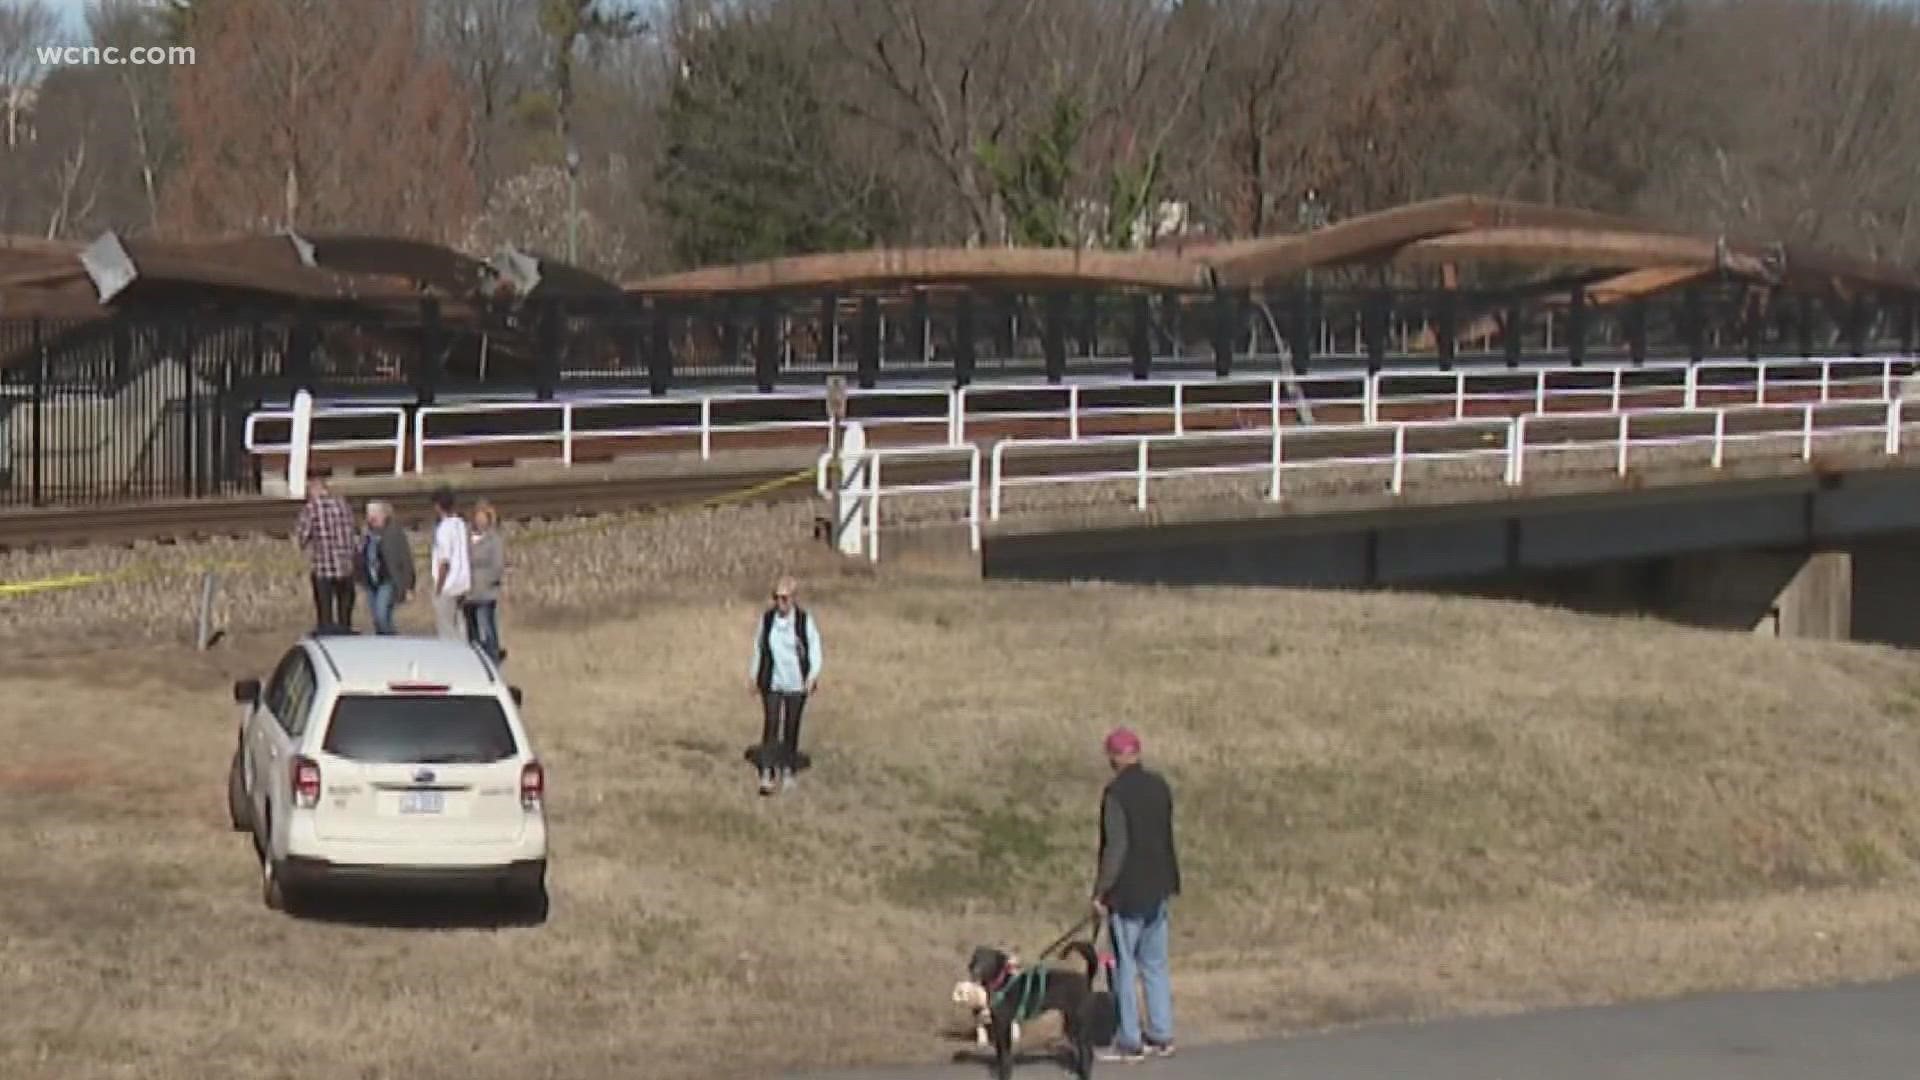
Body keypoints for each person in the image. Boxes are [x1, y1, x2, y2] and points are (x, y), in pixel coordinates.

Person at [1090, 726, 1181, 1063]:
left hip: (1127, 892)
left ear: (1117, 756)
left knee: (1124, 966)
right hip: (1159, 886)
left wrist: (1101, 891)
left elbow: (1116, 847)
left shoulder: (1115, 794)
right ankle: (1162, 1033)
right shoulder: (1160, 786)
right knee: (1155, 963)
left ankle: (1130, 1040)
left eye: (1111, 755)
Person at [747, 575, 823, 796]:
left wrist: (812, 675)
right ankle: (768, 771)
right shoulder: (768, 619)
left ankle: (788, 768)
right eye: (777, 598)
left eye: (785, 599)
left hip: (796, 682)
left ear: (793, 599)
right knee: (771, 724)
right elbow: (758, 647)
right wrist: (753, 675)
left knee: (791, 726)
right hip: (772, 680)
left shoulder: (803, 621)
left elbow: (815, 648)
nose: (780, 603)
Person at [293, 475, 357, 633]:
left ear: (315, 491)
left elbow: (302, 536)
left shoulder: (311, 509)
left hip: (324, 567)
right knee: (345, 609)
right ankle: (345, 632)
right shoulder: (343, 505)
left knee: (325, 610)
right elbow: (353, 531)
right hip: (346, 566)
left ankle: (327, 634)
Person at [356, 500, 415, 636]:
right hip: (371, 581)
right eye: (369, 514)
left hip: (387, 579)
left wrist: (409, 585)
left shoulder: (394, 532)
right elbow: (360, 556)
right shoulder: (366, 534)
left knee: (381, 615)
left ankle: (393, 639)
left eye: (374, 514)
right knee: (377, 618)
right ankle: (384, 644)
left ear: (383, 514)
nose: (371, 518)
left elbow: (405, 559)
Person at [463, 500, 506, 664]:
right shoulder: (466, 537)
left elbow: (498, 565)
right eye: (477, 517)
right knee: (471, 627)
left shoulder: (494, 539)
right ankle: (474, 658)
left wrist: (488, 581)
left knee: (486, 625)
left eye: (483, 518)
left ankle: (493, 655)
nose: (480, 521)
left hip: (486, 592)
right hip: (468, 591)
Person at [428, 486, 471, 641]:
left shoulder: (444, 529)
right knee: (460, 625)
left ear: (438, 506)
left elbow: (444, 561)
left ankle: (451, 657)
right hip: (463, 583)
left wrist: (439, 587)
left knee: (446, 629)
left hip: (448, 584)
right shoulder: (461, 524)